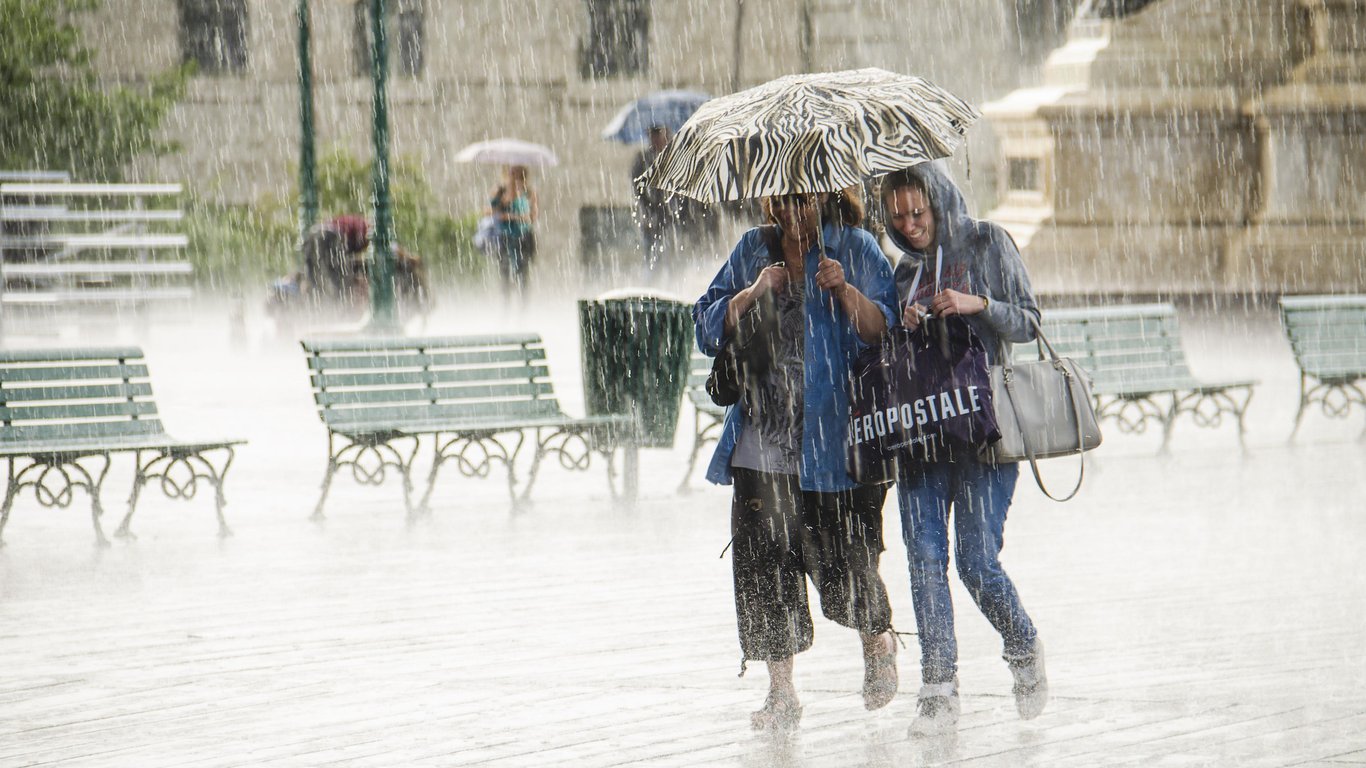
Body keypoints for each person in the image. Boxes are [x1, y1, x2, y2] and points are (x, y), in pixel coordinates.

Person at [693, 187, 900, 733]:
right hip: (761, 439)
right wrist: (754, 290)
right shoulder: (752, 250)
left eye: (802, 200)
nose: (790, 212)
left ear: (826, 196)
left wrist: (846, 291)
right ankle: (781, 692)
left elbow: (888, 330)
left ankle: (877, 643)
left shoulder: (854, 246)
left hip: (832, 442)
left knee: (843, 559)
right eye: (781, 201)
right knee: (763, 568)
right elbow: (705, 326)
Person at [879, 163, 1049, 736]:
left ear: (937, 202)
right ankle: (938, 687)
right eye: (898, 218)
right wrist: (904, 324)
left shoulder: (987, 242)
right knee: (924, 558)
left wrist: (979, 305)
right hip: (924, 435)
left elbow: (1028, 321)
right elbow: (894, 355)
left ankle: (1022, 645)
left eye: (917, 214)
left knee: (976, 563)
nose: (910, 226)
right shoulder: (903, 272)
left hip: (985, 433)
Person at [489, 165, 537, 300]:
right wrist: (505, 202)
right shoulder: (500, 191)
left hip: (523, 238)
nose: (515, 179)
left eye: (519, 176)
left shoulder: (528, 193)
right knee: (505, 273)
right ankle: (506, 304)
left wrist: (516, 216)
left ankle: (522, 307)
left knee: (523, 275)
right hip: (505, 238)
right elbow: (491, 211)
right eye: (512, 175)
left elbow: (532, 217)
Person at [300, 214, 370, 307]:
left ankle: (314, 306)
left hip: (314, 233)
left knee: (313, 276)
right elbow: (351, 253)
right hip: (330, 235)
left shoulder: (353, 221)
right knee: (339, 278)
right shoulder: (365, 228)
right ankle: (336, 306)